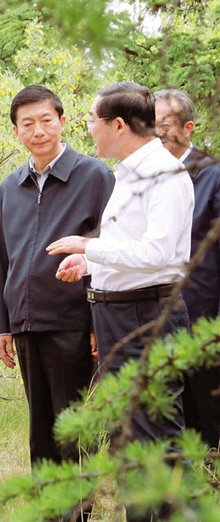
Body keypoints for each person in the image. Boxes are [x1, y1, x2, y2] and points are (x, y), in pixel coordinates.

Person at [48, 81, 194, 447]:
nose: (88, 128)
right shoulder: (126, 173)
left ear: (118, 125)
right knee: (128, 430)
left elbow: (158, 254)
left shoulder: (163, 173)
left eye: (91, 119)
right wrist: (88, 262)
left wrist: (91, 246)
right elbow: (130, 246)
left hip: (147, 315)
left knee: (154, 431)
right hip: (119, 315)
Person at [0, 85, 115, 470]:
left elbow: (111, 249)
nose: (38, 131)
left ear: (62, 121)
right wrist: (2, 325)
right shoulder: (11, 186)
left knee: (74, 425)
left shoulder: (94, 175)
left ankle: (79, 502)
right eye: (27, 124)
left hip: (73, 321)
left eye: (46, 120)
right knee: (40, 427)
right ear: (16, 131)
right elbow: (3, 258)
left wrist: (98, 321)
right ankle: (48, 499)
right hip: (26, 323)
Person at [155, 88, 220, 450]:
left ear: (188, 127)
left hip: (203, 318)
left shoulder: (213, 175)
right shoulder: (145, 180)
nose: (156, 132)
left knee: (209, 415)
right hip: (155, 319)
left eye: (164, 124)